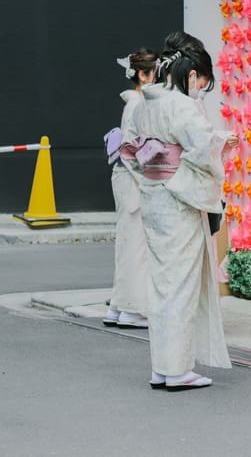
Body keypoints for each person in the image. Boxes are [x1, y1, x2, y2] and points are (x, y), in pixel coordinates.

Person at [125, 33, 237, 391]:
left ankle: (163, 366)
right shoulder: (181, 106)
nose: (203, 89)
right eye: (203, 81)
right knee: (181, 285)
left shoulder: (146, 103)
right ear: (192, 76)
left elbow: (140, 150)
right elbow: (201, 150)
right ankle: (176, 369)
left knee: (162, 283)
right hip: (179, 199)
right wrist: (222, 143)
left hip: (155, 194)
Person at [103, 49, 158, 329]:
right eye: (155, 73)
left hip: (125, 179)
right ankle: (133, 308)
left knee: (128, 243)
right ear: (142, 75)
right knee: (137, 244)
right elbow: (133, 149)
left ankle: (119, 305)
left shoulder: (133, 103)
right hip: (134, 179)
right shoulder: (139, 105)